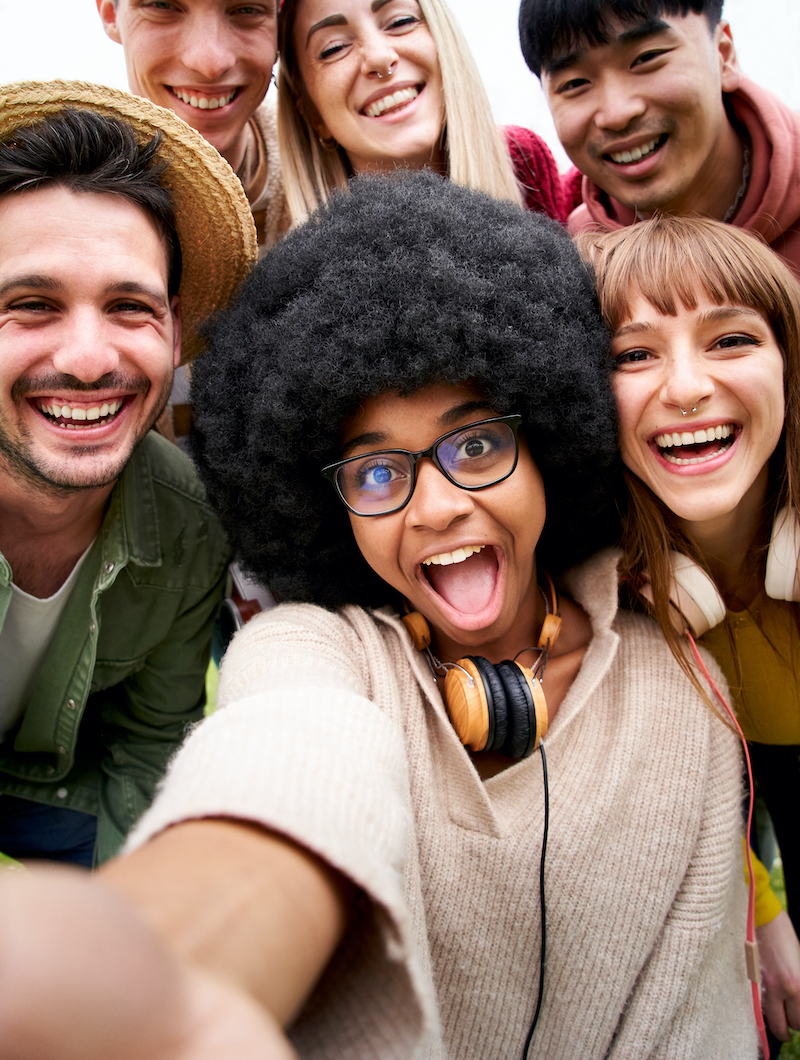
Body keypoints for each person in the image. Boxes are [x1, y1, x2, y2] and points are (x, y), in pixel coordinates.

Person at [0, 175, 755, 1058]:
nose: (435, 508)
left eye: (477, 444)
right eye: (376, 472)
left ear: (550, 439)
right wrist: (172, 976)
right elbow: (282, 779)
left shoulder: (685, 698)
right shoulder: (314, 650)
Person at [0, 78, 257, 867]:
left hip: (48, 797)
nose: (87, 361)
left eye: (129, 308)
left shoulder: (192, 525)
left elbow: (148, 752)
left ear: (176, 330)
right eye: (32, 304)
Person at [585, 214, 800, 1051]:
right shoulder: (602, 595)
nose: (684, 389)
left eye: (731, 340)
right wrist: (764, 913)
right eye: (633, 355)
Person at [518, 0, 800, 275]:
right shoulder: (576, 267)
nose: (617, 113)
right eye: (575, 83)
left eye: (646, 58)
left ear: (724, 55)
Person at [88, 0, 304, 257]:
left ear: (280, 19)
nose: (210, 61)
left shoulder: (339, 173)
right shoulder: (44, 195)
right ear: (110, 12)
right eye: (162, 5)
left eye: (245, 9)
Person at [277, 0, 570, 226]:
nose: (379, 57)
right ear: (312, 115)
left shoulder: (523, 161)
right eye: (334, 48)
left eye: (400, 21)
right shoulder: (291, 264)